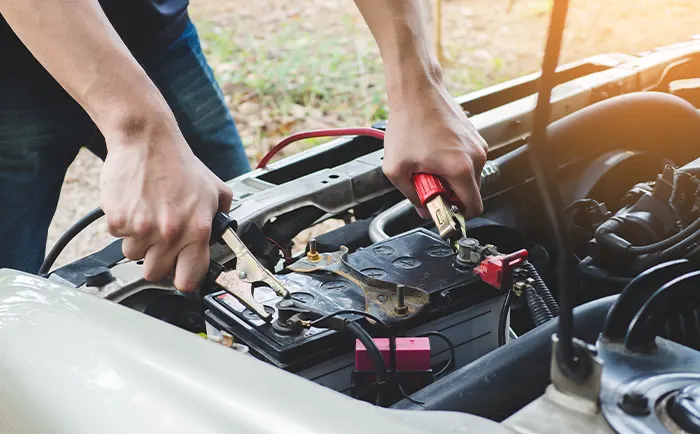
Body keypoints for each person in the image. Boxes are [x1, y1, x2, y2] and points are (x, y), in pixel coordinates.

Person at [0, 0, 488, 292]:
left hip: (153, 32)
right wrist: (139, 127)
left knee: (240, 233)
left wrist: (420, 86)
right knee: (9, 294)